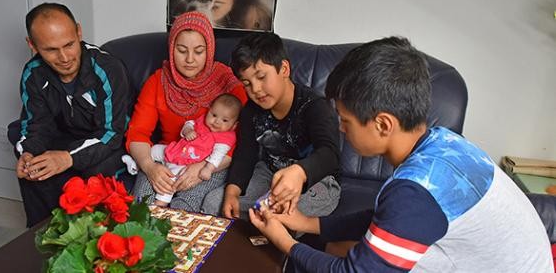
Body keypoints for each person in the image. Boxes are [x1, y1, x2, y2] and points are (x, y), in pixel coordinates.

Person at [248, 37, 554, 272]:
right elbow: (387, 218)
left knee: (343, 253)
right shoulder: (443, 142)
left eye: (346, 120)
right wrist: (306, 222)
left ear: (382, 124)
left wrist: (284, 241)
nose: (341, 129)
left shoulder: (415, 191)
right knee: (339, 246)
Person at [11, 3, 132, 227]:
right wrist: (27, 154)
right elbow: (35, 124)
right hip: (66, 134)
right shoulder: (33, 73)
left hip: (108, 140)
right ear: (33, 46)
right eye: (51, 50)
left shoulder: (107, 68)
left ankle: (87, 235)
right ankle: (41, 231)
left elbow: (111, 133)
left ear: (79, 32)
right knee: (28, 152)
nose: (64, 57)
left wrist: (67, 158)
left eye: (69, 44)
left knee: (94, 167)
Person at [202, 33, 341, 219]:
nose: (256, 90)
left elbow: (330, 154)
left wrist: (300, 173)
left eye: (261, 77)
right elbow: (245, 154)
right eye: (247, 84)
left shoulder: (315, 106)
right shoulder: (251, 110)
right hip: (270, 173)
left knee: (277, 215)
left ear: (284, 69)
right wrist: (232, 193)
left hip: (318, 181)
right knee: (214, 202)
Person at [126, 11, 247, 212]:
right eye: (182, 50)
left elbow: (241, 142)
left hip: (211, 163)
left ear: (209, 50)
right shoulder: (158, 81)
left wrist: (202, 167)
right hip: (168, 156)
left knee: (187, 209)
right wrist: (150, 167)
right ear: (171, 48)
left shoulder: (227, 83)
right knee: (141, 206)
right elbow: (138, 133)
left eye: (198, 51)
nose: (190, 59)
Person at [149, 94, 242, 206]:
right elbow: (189, 123)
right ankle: (134, 163)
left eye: (225, 120)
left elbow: (218, 155)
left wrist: (208, 168)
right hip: (176, 150)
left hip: (188, 163)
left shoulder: (225, 138)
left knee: (171, 178)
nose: (217, 121)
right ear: (209, 111)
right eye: (214, 115)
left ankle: (160, 203)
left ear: (234, 125)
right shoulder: (203, 121)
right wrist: (188, 130)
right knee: (154, 150)